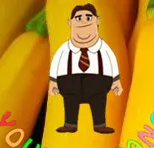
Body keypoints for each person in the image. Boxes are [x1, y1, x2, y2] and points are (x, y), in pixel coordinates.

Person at [48, 3, 123, 133]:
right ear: (70, 22)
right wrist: (53, 81)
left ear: (97, 20)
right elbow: (56, 62)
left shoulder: (104, 47)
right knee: (70, 102)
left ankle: (100, 124)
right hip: (70, 81)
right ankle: (70, 124)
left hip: (98, 81)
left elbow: (112, 61)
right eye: (78, 18)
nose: (84, 22)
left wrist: (116, 80)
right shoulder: (64, 48)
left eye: (88, 18)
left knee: (99, 102)